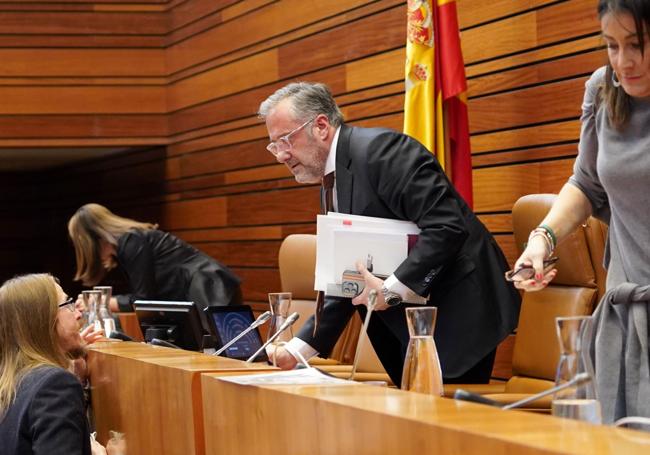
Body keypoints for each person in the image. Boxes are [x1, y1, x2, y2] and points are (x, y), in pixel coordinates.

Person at [258, 82, 521, 385]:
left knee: (445, 425)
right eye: (274, 145)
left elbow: (447, 227)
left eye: (285, 140)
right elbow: (347, 280)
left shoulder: (384, 152)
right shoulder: (333, 179)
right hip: (409, 324)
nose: (280, 155)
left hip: (459, 311)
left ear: (320, 126)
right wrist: (296, 350)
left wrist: (391, 288)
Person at [510, 0, 650, 423]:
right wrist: (541, 240)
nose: (623, 62)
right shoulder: (603, 88)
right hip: (625, 318)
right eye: (612, 46)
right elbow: (586, 183)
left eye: (637, 44)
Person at [68, 203, 242, 330]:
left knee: (235, 353)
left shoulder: (132, 240)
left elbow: (143, 300)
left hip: (210, 290)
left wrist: (101, 302)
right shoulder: (128, 244)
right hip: (207, 290)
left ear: (91, 239)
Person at [0, 273, 104, 454]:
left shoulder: (10, 380)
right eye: (68, 304)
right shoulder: (55, 385)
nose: (78, 314)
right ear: (46, 320)